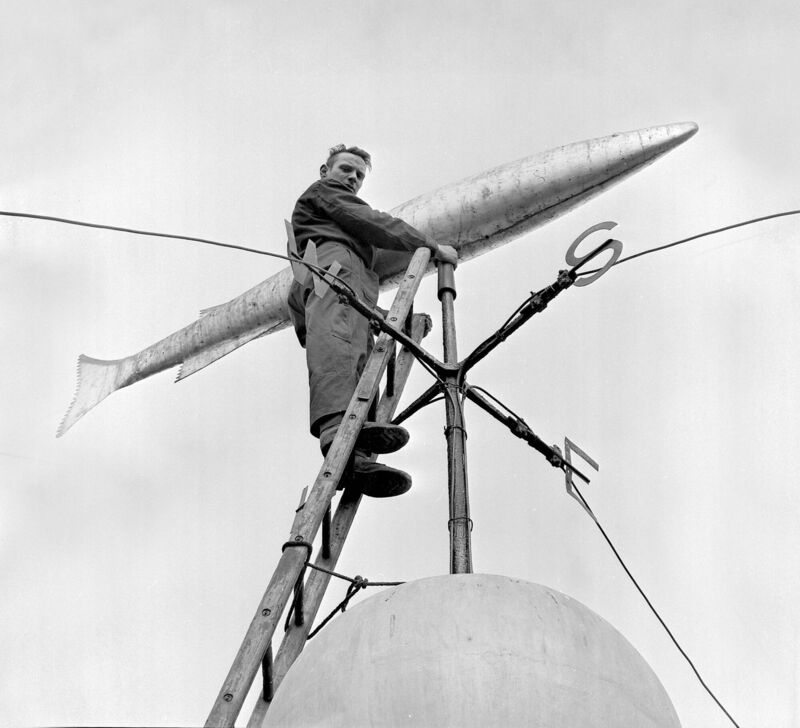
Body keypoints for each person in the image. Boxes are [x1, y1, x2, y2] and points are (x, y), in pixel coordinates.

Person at [288, 144, 458, 498]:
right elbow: (370, 221)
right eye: (346, 169)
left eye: (359, 175)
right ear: (325, 171)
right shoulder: (325, 195)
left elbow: (296, 297)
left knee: (361, 361)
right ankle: (338, 430)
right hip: (337, 279)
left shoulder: (335, 243)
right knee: (339, 352)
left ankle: (356, 460)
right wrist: (426, 244)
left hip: (353, 289)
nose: (352, 178)